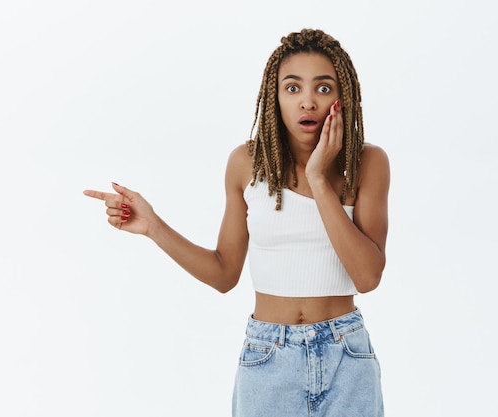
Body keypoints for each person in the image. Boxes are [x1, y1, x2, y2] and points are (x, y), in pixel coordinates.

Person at [84, 28, 389, 417]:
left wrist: (318, 179)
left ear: (342, 96)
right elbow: (225, 273)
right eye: (292, 88)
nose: (308, 102)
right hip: (268, 356)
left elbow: (367, 277)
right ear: (275, 97)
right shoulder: (246, 163)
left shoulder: (368, 163)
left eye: (323, 88)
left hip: (346, 352)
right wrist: (153, 226)